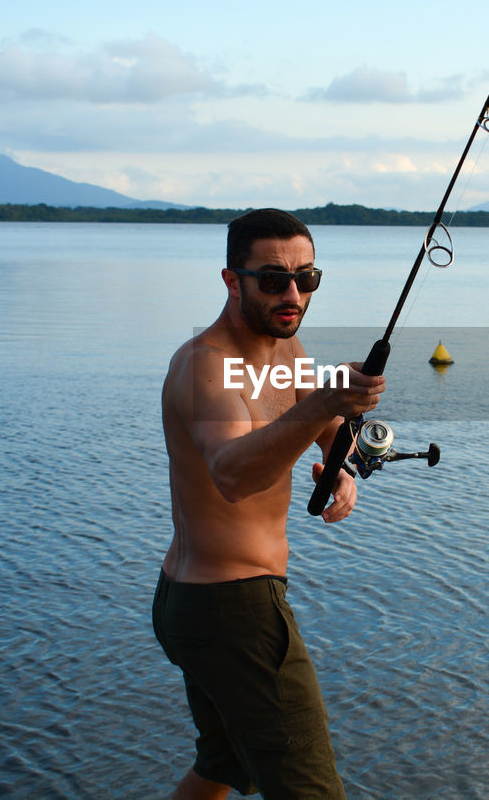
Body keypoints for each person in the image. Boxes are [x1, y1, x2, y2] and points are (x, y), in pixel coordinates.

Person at [152, 208, 384, 799]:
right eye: (273, 278)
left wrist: (342, 464)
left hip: (193, 605)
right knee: (311, 790)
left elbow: (320, 426)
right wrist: (322, 405)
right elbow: (231, 472)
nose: (292, 293)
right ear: (232, 280)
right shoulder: (207, 366)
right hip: (233, 607)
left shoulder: (285, 348)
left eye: (307, 278)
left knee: (224, 765)